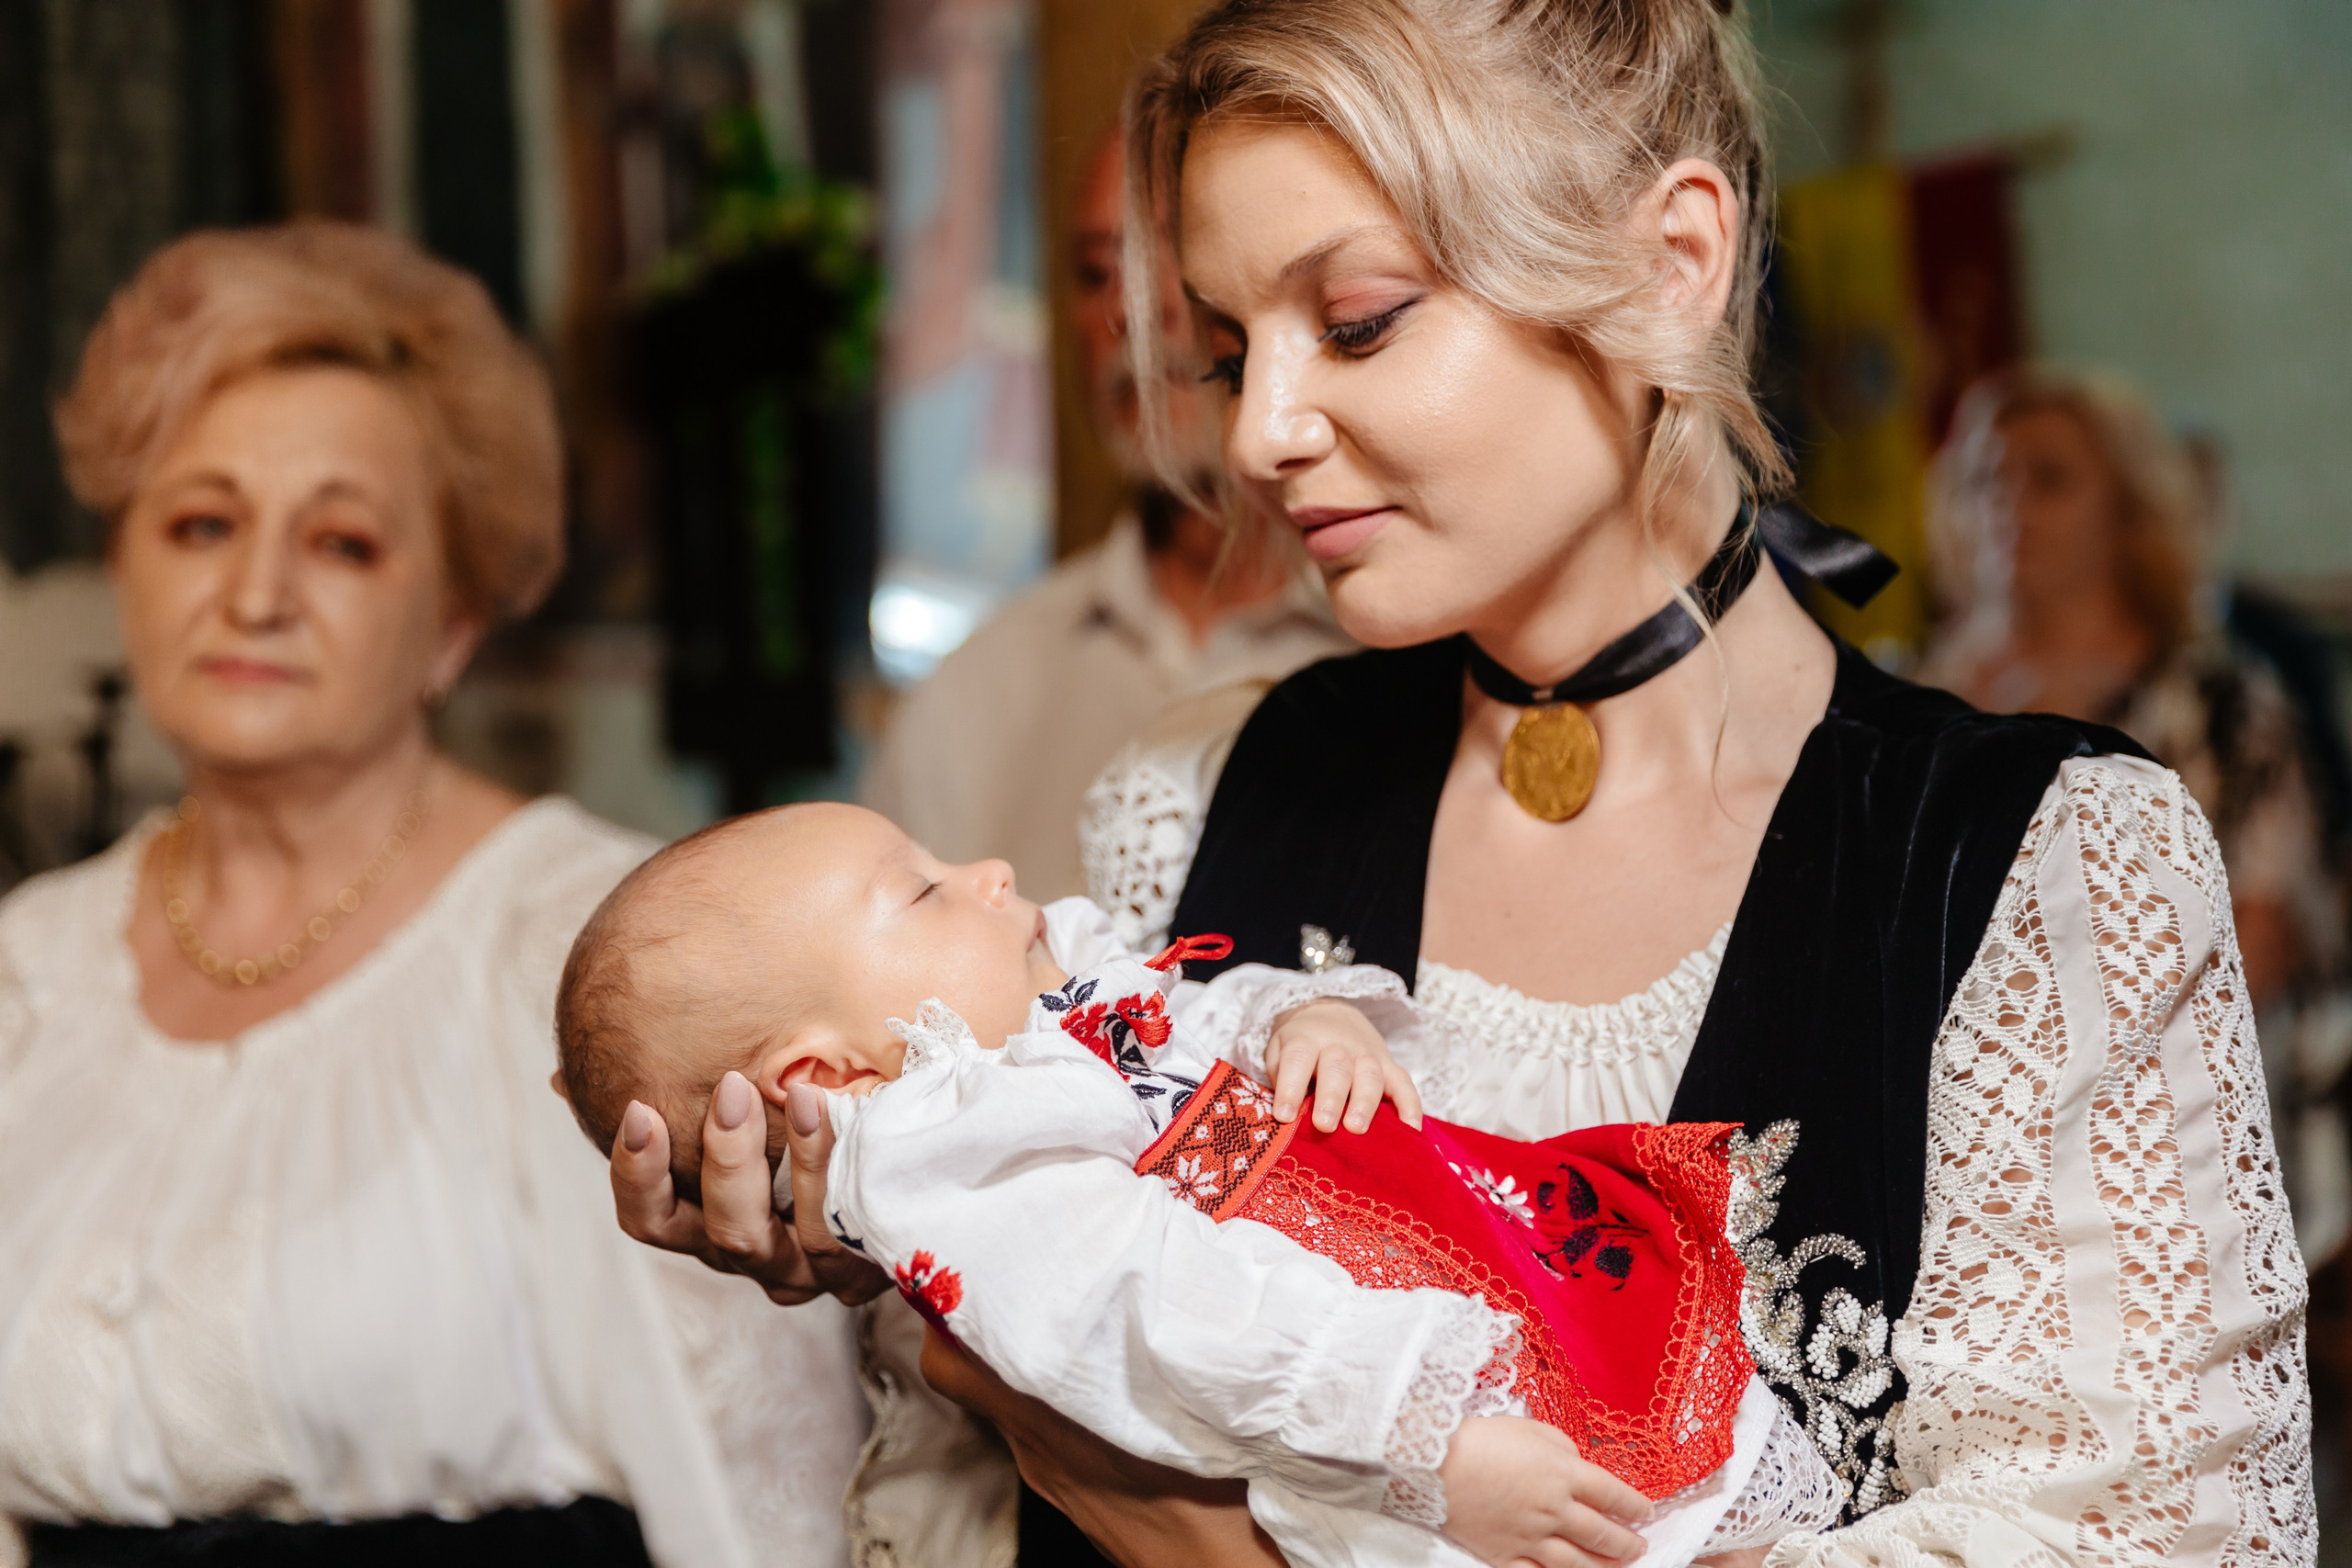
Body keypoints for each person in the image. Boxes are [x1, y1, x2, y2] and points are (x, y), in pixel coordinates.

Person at [611, 3, 2314, 1564]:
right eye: (1225, 347)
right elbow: (992, 1443)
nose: (1262, 429)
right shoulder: (1195, 793)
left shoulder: (2040, 861)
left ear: (1670, 268)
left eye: (1355, 321)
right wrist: (909, 1238)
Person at [0, 223, 865, 1567]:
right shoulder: (24, 971)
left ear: (455, 621)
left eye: (341, 542)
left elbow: (769, 1498)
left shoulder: (594, 959)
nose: (255, 593)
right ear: (124, 563)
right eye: (200, 522)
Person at [552, 800, 1839, 1567]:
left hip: (1416, 1264)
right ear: (832, 1069)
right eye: (927, 889)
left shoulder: (1048, 1016)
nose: (992, 874)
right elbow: (1168, 1316)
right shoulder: (971, 1176)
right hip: (1345, 1426)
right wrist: (1428, 1446)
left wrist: (1312, 1019)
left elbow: (1198, 1003)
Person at [860, 128, 1352, 900]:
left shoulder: (1402, 644)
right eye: (1097, 271)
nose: (1129, 305)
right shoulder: (977, 695)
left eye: (1176, 255)